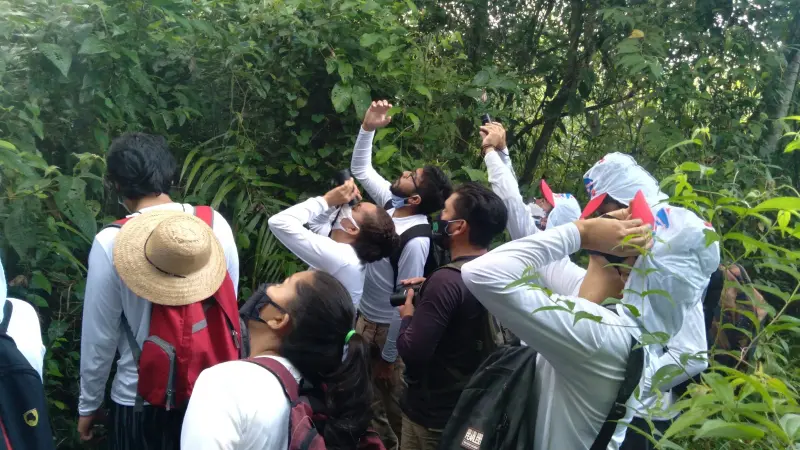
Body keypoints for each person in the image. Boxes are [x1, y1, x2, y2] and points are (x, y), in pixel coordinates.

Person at [78, 133, 240, 449]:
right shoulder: (214, 224)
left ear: (116, 185)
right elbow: (228, 304)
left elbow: (100, 337)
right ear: (168, 173)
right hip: (209, 393)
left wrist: (89, 404)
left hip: (137, 398)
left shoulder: (111, 241)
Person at [580, 152, 715, 449]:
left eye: (604, 209)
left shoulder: (667, 252)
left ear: (623, 202)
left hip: (640, 416)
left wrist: (626, 383)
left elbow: (692, 354)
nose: (602, 219)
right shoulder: (652, 249)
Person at [350, 100, 453, 449]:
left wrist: (389, 357)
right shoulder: (393, 205)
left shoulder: (416, 240)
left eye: (412, 178)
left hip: (383, 332)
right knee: (368, 401)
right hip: (363, 318)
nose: (404, 174)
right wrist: (367, 129)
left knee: (389, 404)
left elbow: (404, 300)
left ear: (416, 201)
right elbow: (361, 170)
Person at [180, 270, 373, 450]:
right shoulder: (315, 397)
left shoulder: (226, 382)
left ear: (279, 319)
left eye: (282, 285)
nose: (269, 287)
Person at [395, 182, 508, 450]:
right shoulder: (495, 269)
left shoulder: (446, 281)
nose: (439, 219)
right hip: (473, 409)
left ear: (458, 227)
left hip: (433, 416)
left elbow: (413, 351)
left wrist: (408, 315)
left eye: (445, 212)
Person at [268, 179, 397, 308]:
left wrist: (327, 200)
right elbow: (317, 223)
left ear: (352, 229)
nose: (350, 206)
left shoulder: (343, 258)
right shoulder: (346, 249)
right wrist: (335, 203)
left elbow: (279, 222)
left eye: (355, 208)